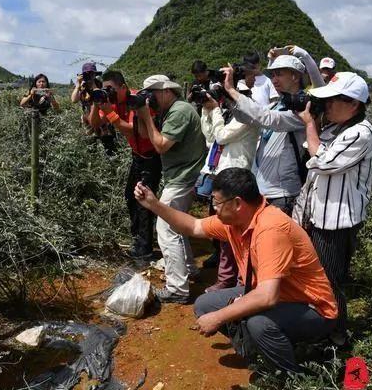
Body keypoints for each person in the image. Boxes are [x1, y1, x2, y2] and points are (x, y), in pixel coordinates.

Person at [134, 168, 337, 374]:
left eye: (216, 202)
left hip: (311, 308)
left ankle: (292, 381)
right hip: (275, 294)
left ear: (238, 203)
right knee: (206, 304)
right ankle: (262, 350)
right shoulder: (236, 222)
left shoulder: (270, 230)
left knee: (260, 324)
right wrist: (154, 204)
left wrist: (219, 317)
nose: (214, 208)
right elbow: (193, 226)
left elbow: (267, 297)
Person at [294, 71, 372, 345]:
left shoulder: (360, 133)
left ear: (353, 104)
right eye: (324, 101)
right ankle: (320, 325)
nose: (326, 106)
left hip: (336, 222)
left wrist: (309, 126)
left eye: (332, 101)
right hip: (318, 217)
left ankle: (336, 335)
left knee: (330, 280)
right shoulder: (334, 129)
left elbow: (324, 162)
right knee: (316, 276)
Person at [224, 46, 325, 215]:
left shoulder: (304, 108)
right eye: (273, 75)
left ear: (294, 76)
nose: (274, 79)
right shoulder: (276, 105)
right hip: (263, 189)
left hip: (283, 193)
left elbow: (269, 118)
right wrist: (228, 96)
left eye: (279, 74)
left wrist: (232, 92)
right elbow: (247, 118)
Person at [136, 75, 206, 303]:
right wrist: (140, 113)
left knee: (166, 228)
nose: (151, 99)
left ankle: (177, 288)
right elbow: (146, 134)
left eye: (152, 94)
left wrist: (147, 115)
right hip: (180, 176)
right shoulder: (171, 110)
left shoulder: (180, 111)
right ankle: (188, 269)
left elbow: (161, 146)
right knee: (177, 224)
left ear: (167, 91)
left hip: (183, 178)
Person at [89, 70, 161, 267]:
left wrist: (110, 113)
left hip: (153, 156)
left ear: (123, 87)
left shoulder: (136, 100)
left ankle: (145, 248)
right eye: (105, 90)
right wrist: (97, 104)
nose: (108, 93)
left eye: (111, 89)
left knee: (144, 200)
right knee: (130, 196)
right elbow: (94, 124)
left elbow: (136, 130)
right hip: (137, 156)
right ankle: (138, 238)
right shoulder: (109, 102)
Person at [198, 67, 260, 292]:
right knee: (220, 229)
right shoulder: (226, 113)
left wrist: (214, 111)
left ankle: (231, 280)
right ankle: (228, 275)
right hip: (220, 173)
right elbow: (209, 138)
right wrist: (208, 111)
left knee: (231, 231)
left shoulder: (247, 114)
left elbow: (221, 135)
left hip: (235, 177)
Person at [71, 62, 116, 154]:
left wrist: (94, 85)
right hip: (88, 120)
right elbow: (74, 100)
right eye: (86, 74)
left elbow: (104, 99)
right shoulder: (81, 87)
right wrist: (78, 85)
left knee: (108, 146)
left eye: (91, 73)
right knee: (91, 148)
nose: (89, 76)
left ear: (95, 74)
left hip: (103, 119)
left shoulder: (101, 84)